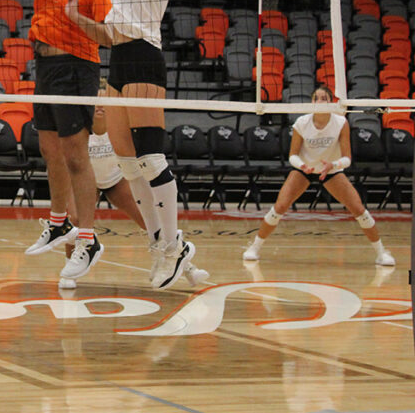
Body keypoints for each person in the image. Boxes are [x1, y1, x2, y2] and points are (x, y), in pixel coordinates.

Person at [65, 0, 195, 289]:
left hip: (144, 53)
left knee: (150, 157)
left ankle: (173, 244)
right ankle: (162, 245)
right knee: (125, 163)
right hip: (119, 54)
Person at [7, 0, 112, 281]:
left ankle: (88, 238)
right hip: (46, 66)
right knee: (50, 150)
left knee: (75, 156)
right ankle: (58, 222)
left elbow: (109, 36)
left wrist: (75, 16)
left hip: (76, 67)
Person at [59, 95, 209, 288]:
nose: (100, 105)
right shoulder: (79, 129)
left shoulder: (119, 129)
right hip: (88, 182)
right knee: (76, 219)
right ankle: (68, 272)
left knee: (150, 222)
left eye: (105, 100)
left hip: (116, 179)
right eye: (96, 100)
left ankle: (188, 268)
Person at [243, 85, 395, 265]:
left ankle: (381, 253)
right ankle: (254, 247)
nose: (321, 101)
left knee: (359, 210)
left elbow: (347, 158)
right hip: (304, 170)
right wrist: (303, 166)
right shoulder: (302, 123)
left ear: (331, 102)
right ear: (312, 102)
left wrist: (334, 164)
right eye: (317, 98)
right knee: (280, 207)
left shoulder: (340, 123)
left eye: (325, 98)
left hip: (331, 169)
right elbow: (292, 156)